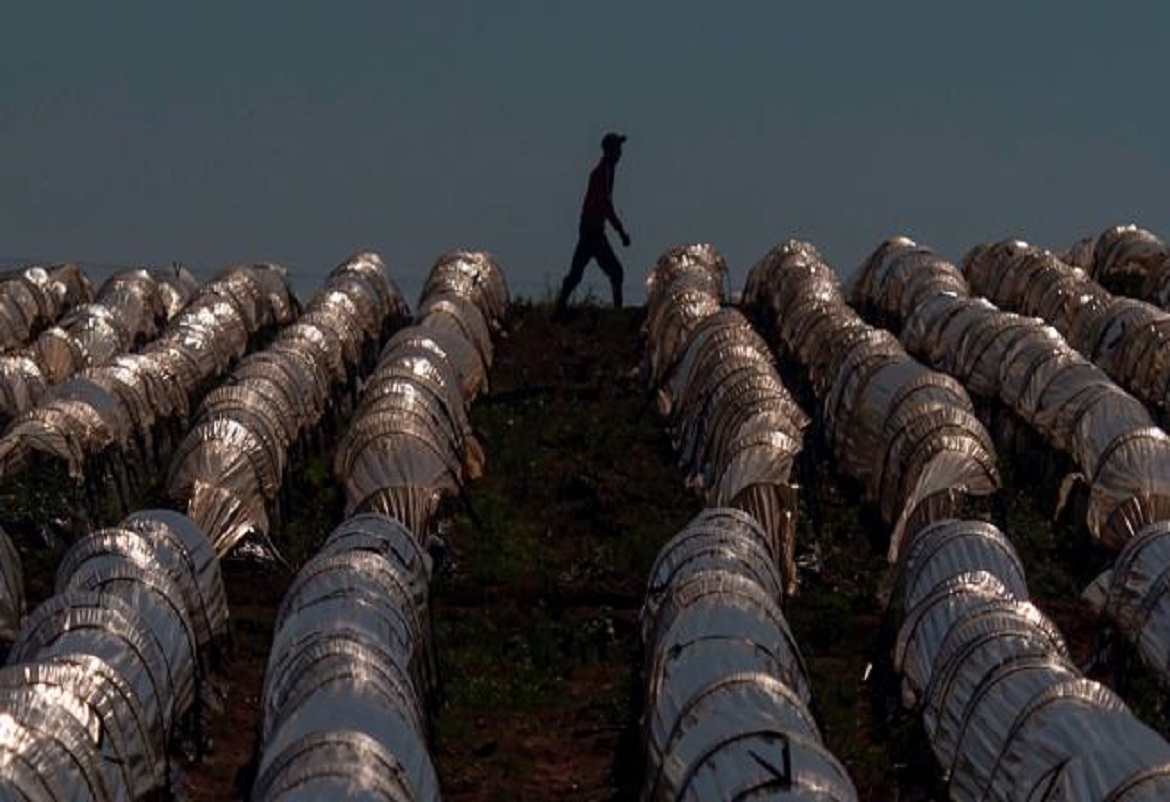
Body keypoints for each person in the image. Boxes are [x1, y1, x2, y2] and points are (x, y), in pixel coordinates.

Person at [554, 132, 631, 316]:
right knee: (615, 272)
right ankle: (617, 315)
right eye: (617, 149)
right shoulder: (601, 173)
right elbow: (605, 205)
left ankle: (560, 307)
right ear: (610, 151)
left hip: (592, 229)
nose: (620, 153)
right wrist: (621, 232)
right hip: (592, 231)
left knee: (578, 272)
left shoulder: (607, 171)